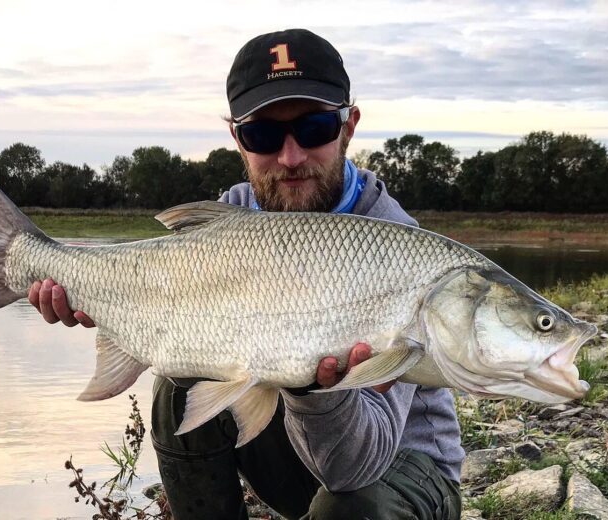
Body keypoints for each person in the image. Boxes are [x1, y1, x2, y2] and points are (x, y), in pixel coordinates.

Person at [29, 28, 464, 520]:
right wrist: (95, 298)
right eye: (263, 134)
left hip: (397, 471)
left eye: (315, 127)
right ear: (237, 138)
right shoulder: (230, 221)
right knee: (178, 386)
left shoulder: (401, 248)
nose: (290, 156)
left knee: (351, 508)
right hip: (294, 457)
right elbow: (152, 297)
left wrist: (311, 391)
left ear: (348, 126)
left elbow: (353, 472)